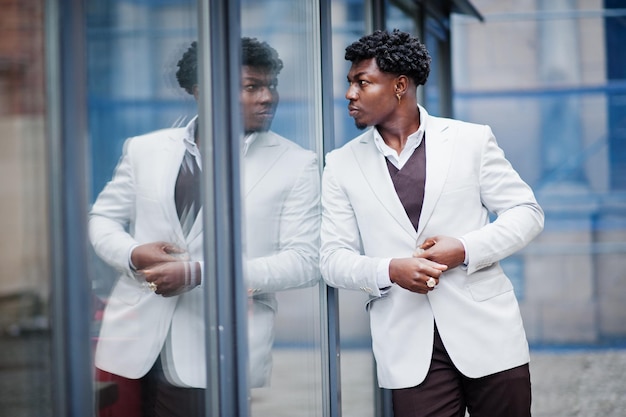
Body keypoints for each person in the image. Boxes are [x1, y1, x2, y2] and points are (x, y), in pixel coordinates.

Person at [90, 38, 320, 417]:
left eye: (271, 85)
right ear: (203, 92)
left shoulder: (297, 164)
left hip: (217, 348)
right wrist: (132, 254)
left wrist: (198, 273)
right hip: (129, 342)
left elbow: (305, 261)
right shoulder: (144, 149)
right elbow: (102, 219)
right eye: (252, 87)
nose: (267, 98)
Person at [320, 29, 544, 417]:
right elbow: (332, 259)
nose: (349, 94)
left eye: (362, 82)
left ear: (400, 86)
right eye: (349, 83)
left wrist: (464, 249)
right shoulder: (340, 164)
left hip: (488, 333)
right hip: (406, 347)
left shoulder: (470, 141)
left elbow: (526, 213)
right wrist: (389, 269)